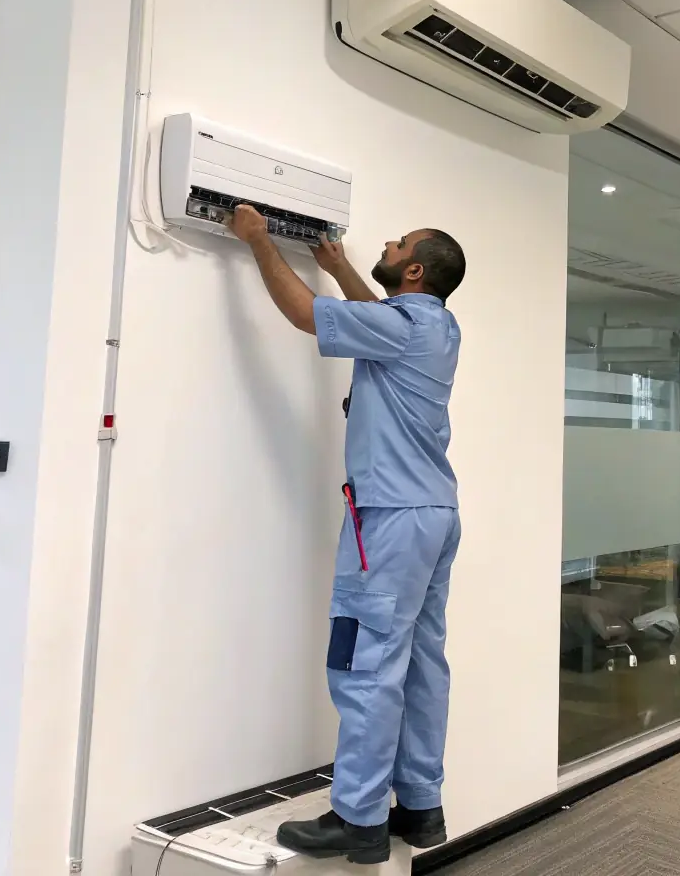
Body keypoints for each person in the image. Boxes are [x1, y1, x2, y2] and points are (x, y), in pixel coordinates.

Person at [227, 205, 465, 865]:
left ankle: (357, 818)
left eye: (401, 243)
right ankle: (420, 807)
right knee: (421, 665)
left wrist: (257, 240)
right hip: (434, 515)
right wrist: (340, 268)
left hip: (389, 520)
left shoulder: (400, 325)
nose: (388, 242)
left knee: (367, 664)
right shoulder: (435, 325)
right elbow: (378, 317)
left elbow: (306, 315)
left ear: (413, 271)